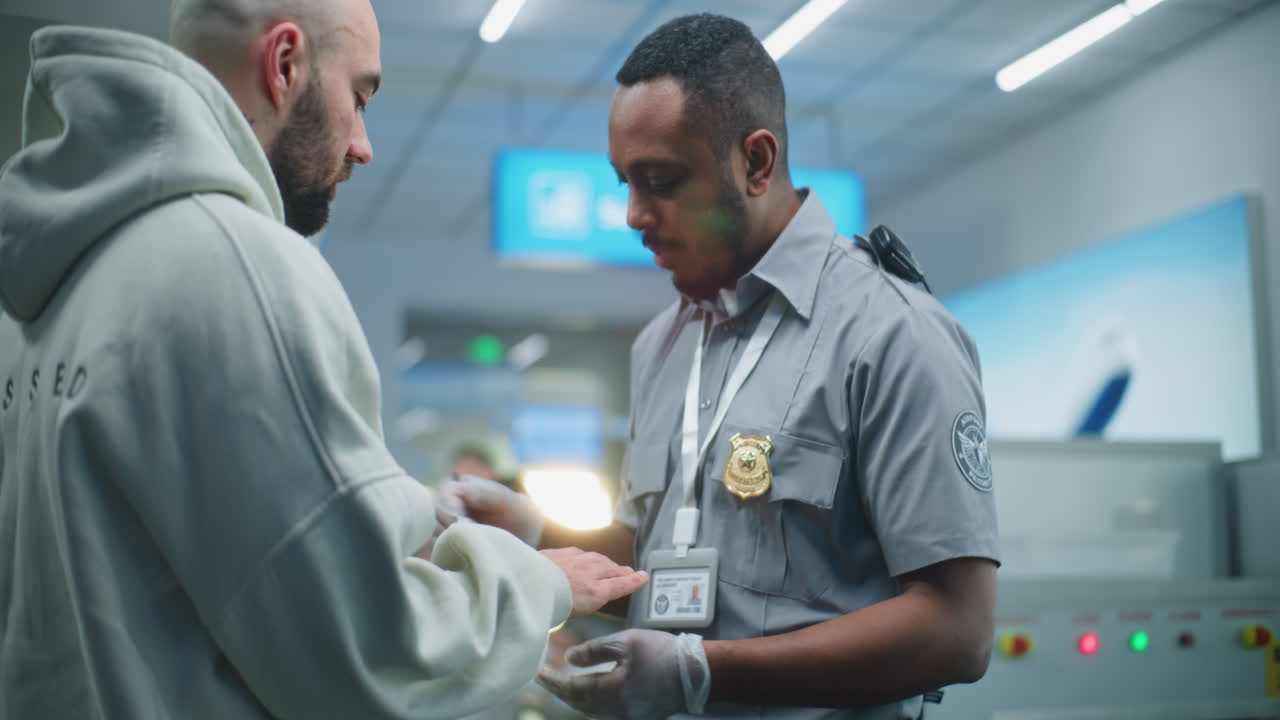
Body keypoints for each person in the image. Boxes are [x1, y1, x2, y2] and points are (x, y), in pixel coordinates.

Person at [0, 0, 647, 717]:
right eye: (359, 98)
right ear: (284, 65)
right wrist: (537, 581)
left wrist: (393, 521)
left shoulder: (45, 287)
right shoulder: (239, 262)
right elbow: (371, 654)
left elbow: (175, 569)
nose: (363, 145)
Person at [444, 13, 999, 720]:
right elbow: (662, 556)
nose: (634, 215)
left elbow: (960, 630)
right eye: (625, 184)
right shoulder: (664, 344)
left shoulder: (893, 335)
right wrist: (531, 534)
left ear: (756, 163)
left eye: (661, 181)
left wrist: (704, 670)